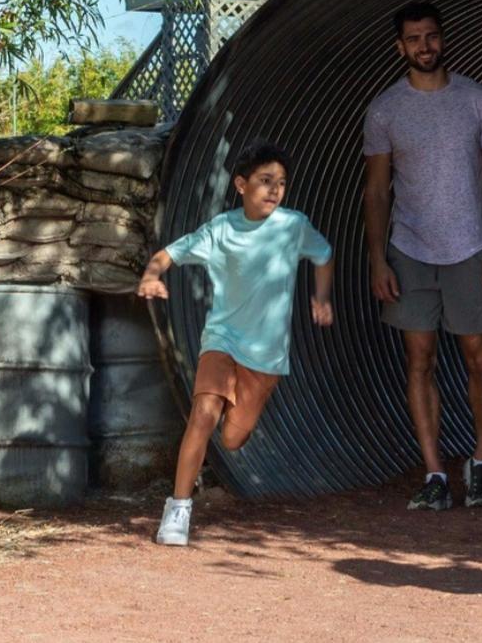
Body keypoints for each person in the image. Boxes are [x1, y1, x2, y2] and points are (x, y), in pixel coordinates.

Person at [138, 142, 335, 546]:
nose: (274, 190)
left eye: (281, 183)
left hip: (265, 356)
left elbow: (325, 254)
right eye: (265, 181)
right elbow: (166, 255)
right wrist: (149, 276)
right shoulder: (221, 230)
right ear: (241, 185)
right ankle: (178, 510)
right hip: (222, 338)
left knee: (232, 438)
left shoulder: (293, 226)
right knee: (203, 413)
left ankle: (228, 427)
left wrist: (321, 297)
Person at [362, 0, 482, 510]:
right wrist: (378, 259)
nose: (424, 46)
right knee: (419, 360)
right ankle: (435, 475)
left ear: (442, 38)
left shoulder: (477, 100)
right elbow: (377, 190)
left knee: (480, 359)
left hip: (470, 246)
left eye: (431, 36)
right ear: (399, 47)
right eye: (413, 39)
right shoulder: (385, 110)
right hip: (409, 249)